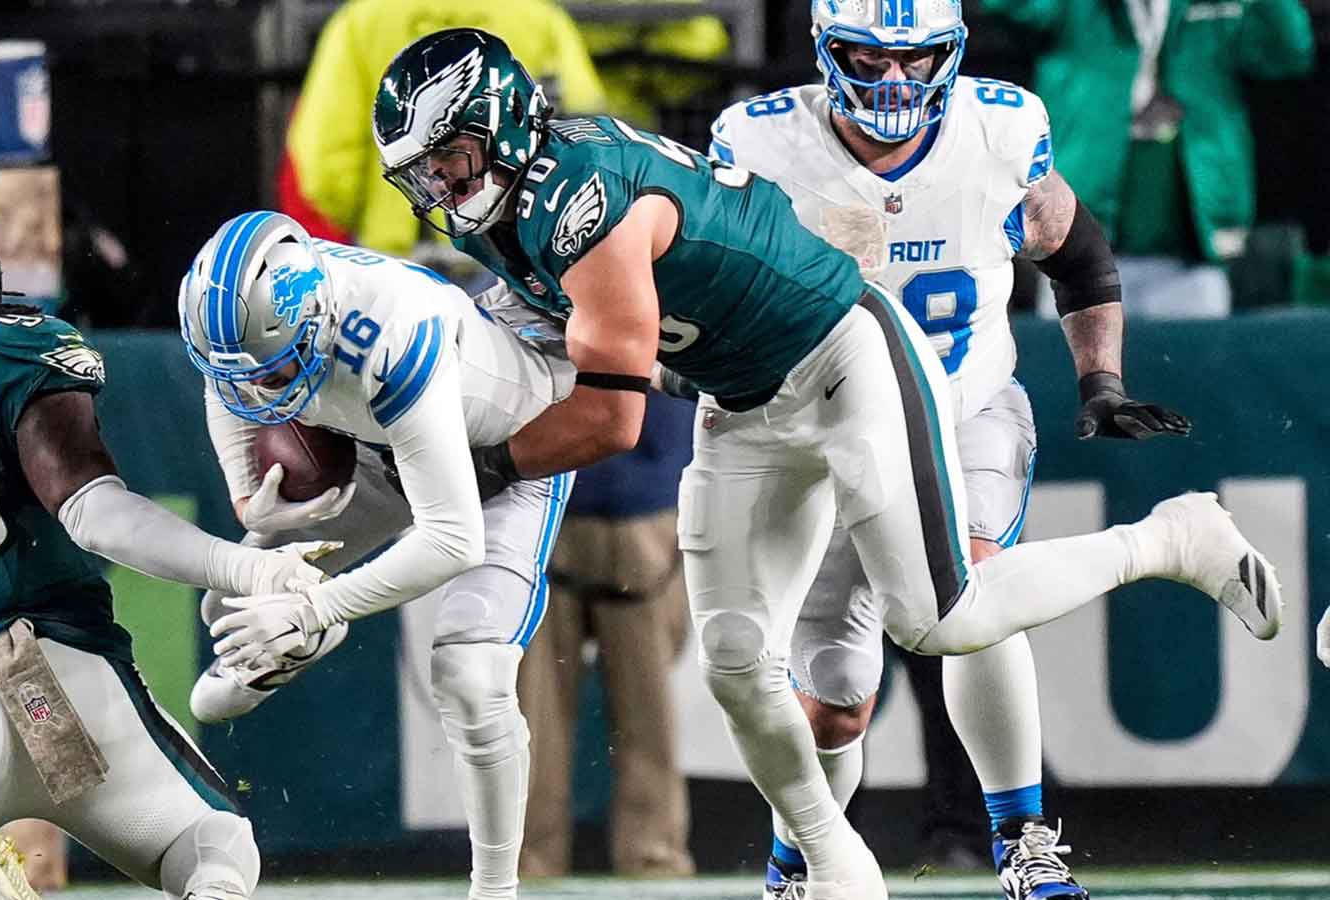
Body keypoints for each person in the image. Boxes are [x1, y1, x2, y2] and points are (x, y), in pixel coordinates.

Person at [366, 28, 1282, 900]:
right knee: (734, 657)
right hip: (742, 398)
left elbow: (608, 417)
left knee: (942, 617)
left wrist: (469, 471)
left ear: (509, 126)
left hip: (842, 352)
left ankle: (1169, 539)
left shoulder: (580, 197)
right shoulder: (504, 207)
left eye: (452, 157)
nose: (443, 185)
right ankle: (828, 855)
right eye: (424, 172)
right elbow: (533, 339)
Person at [707, 0, 1192, 895]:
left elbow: (1077, 255)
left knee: (972, 599)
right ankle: (803, 858)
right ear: (825, 51)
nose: (895, 80)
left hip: (963, 402)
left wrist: (1102, 382)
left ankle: (1023, 842)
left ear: (952, 54)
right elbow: (705, 277)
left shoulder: (998, 129)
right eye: (869, 57)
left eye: (917, 59)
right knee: (833, 707)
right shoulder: (760, 143)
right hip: (819, 428)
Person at [0, 165, 330, 900]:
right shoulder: (11, 350)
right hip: (65, 673)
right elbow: (95, 512)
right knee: (210, 842)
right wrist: (251, 570)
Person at [178, 211, 576, 900]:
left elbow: (452, 538)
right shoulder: (246, 321)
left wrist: (315, 605)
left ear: (312, 322)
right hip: (386, 450)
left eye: (271, 374)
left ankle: (495, 889)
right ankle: (309, 635)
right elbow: (227, 381)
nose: (261, 395)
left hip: (505, 461)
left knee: (471, 674)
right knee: (222, 645)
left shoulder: (393, 330)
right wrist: (248, 498)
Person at [983, 0, 1314, 318]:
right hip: (1077, 259)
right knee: (1078, 373)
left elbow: (1288, 51)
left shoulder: (1216, 5)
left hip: (1191, 260)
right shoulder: (1078, 7)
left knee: (1193, 373)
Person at [518, 395, 697, 879]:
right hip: (558, 502)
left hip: (609, 499)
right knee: (539, 720)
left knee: (638, 712)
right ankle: (649, 864)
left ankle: (531, 869)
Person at [276, 0, 605, 259]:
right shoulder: (536, 15)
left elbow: (324, 161)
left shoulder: (362, 18)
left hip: (399, 255)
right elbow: (578, 129)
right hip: (517, 246)